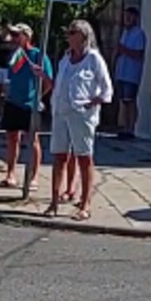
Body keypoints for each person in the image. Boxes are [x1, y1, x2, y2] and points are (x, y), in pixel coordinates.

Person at [41, 20, 113, 221]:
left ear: (83, 36)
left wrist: (95, 101)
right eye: (68, 32)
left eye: (72, 33)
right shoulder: (65, 58)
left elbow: (107, 88)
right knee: (59, 156)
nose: (68, 36)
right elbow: (60, 83)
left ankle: (85, 203)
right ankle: (54, 201)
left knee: (84, 157)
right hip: (61, 112)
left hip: (81, 115)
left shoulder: (93, 58)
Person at [0, 23, 52, 191]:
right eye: (12, 35)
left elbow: (49, 81)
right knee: (12, 138)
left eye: (17, 35)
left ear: (27, 37)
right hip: (13, 102)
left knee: (33, 139)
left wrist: (39, 97)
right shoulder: (15, 55)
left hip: (30, 104)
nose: (13, 38)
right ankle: (10, 174)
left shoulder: (37, 55)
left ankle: (34, 177)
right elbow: (10, 77)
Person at [114, 6, 145, 140]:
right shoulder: (124, 33)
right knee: (122, 101)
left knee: (130, 101)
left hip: (131, 74)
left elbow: (138, 54)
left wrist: (123, 49)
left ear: (135, 18)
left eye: (130, 16)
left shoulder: (139, 34)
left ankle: (131, 129)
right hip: (122, 72)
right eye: (125, 16)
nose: (127, 19)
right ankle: (123, 128)